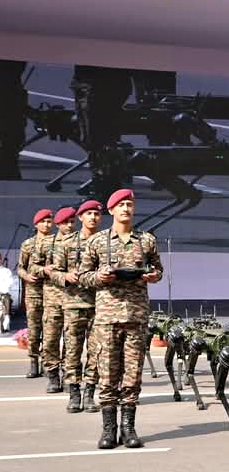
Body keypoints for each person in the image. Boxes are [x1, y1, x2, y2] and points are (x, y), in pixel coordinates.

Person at [78, 189, 163, 449]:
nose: (126, 208)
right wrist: (100, 277)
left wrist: (152, 276)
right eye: (121, 205)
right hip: (106, 317)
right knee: (107, 374)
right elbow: (83, 276)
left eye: (130, 204)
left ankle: (128, 428)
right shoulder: (97, 242)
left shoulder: (146, 240)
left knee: (132, 375)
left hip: (136, 316)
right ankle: (108, 429)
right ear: (111, 210)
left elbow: (158, 270)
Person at [53, 200, 103, 413]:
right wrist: (66, 276)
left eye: (96, 214)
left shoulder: (106, 241)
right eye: (88, 213)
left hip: (100, 304)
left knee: (96, 351)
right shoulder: (66, 243)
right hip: (73, 303)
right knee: (72, 351)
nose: (93, 217)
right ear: (80, 217)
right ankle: (74, 392)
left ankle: (90, 393)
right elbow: (53, 272)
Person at [33, 206, 76, 393]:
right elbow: (32, 267)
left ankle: (69, 375)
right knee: (50, 339)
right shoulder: (46, 243)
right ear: (58, 224)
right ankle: (52, 375)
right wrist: (44, 270)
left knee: (71, 339)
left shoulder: (79, 242)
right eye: (66, 222)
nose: (69, 225)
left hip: (73, 297)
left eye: (72, 222)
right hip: (52, 298)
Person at [18, 208, 52, 378]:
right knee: (33, 330)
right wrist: (27, 276)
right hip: (33, 293)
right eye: (43, 221)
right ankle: (34, 362)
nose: (46, 224)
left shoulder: (56, 243)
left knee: (50, 331)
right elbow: (20, 268)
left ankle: (48, 363)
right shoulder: (28, 244)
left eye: (49, 221)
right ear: (36, 224)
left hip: (52, 292)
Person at [0, 257, 13, 333]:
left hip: (4, 294)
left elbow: (9, 283)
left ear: (1, 260)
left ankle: (4, 327)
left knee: (5, 313)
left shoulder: (6, 271)